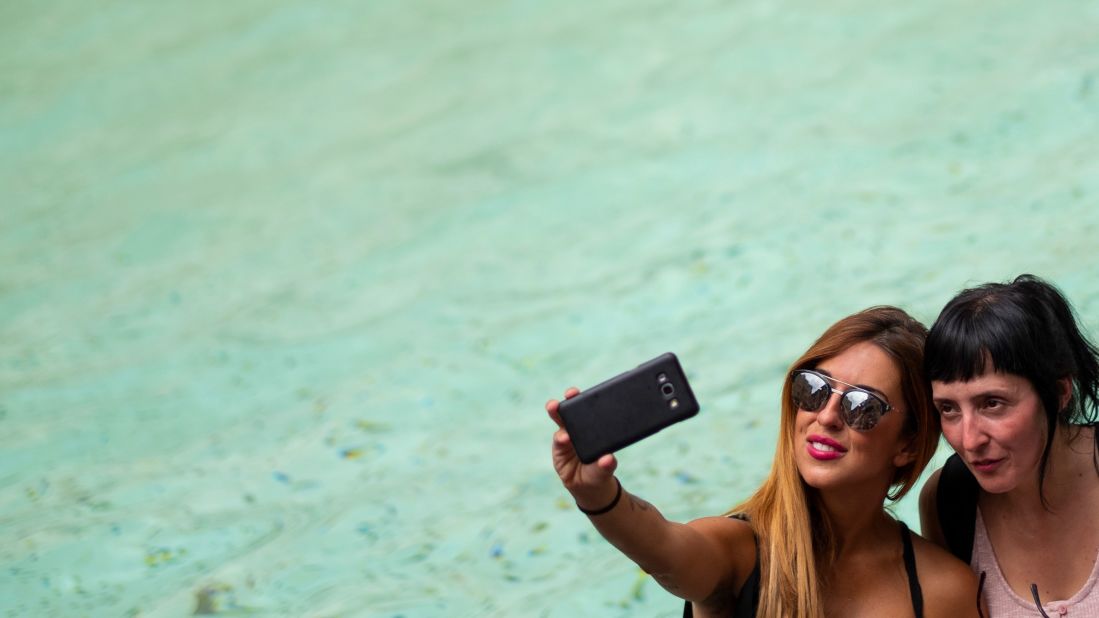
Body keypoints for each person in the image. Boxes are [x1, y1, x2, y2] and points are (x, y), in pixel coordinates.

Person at [547, 306, 979, 618]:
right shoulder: (741, 554)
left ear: (907, 444)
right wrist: (598, 495)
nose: (825, 416)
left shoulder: (944, 592)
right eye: (812, 389)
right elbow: (663, 549)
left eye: (862, 406)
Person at [918, 274, 1099, 617]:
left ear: (1060, 392)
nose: (970, 440)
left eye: (992, 403)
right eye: (948, 408)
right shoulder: (948, 501)